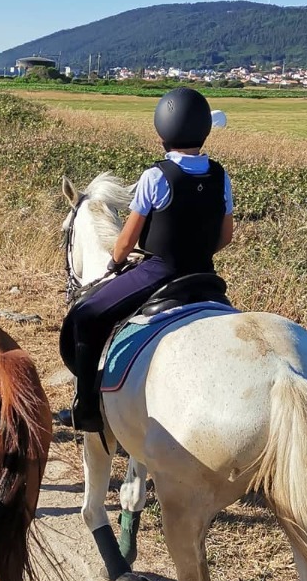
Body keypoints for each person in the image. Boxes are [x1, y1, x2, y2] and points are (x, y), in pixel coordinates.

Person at [63, 87, 235, 433]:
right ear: (204, 131)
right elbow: (225, 236)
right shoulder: (220, 176)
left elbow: (126, 241)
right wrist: (197, 255)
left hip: (159, 271)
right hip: (205, 274)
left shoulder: (155, 176)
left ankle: (87, 407)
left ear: (162, 132)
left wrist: (115, 262)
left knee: (86, 316)